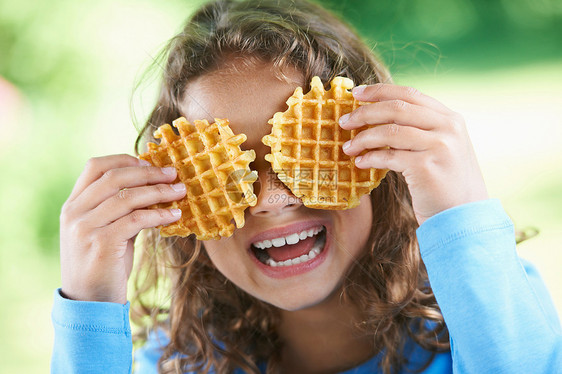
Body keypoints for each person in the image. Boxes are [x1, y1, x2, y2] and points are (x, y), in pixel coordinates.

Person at [51, 0, 562, 373]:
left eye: (302, 154)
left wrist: (460, 212)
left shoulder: (491, 309)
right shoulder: (178, 360)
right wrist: (90, 305)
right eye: (231, 172)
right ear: (179, 205)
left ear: (380, 159)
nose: (272, 198)